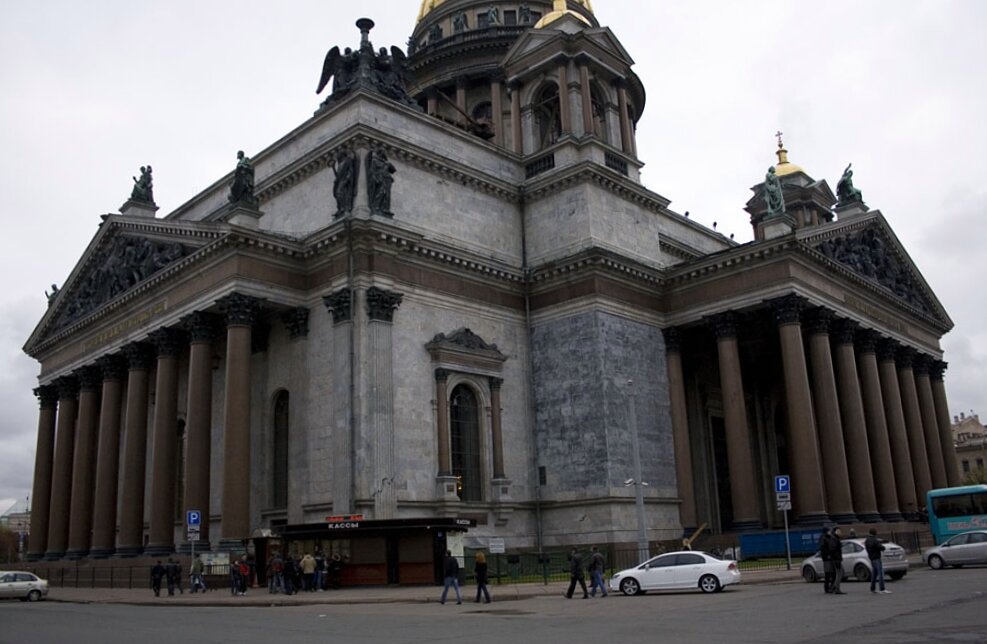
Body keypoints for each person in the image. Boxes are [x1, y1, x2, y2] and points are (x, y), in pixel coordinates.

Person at [865, 528, 891, 594]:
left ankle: (872, 588)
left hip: (871, 558)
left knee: (874, 574)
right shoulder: (875, 540)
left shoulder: (867, 540)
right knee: (881, 574)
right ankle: (882, 589)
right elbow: (881, 547)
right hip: (876, 558)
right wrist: (883, 547)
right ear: (875, 533)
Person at [829, 527, 846, 594]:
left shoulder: (835, 539)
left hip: (837, 559)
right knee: (839, 573)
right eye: (839, 531)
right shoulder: (834, 539)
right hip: (836, 559)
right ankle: (836, 588)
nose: (840, 533)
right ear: (836, 532)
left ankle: (834, 587)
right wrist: (837, 559)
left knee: (840, 573)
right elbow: (833, 550)